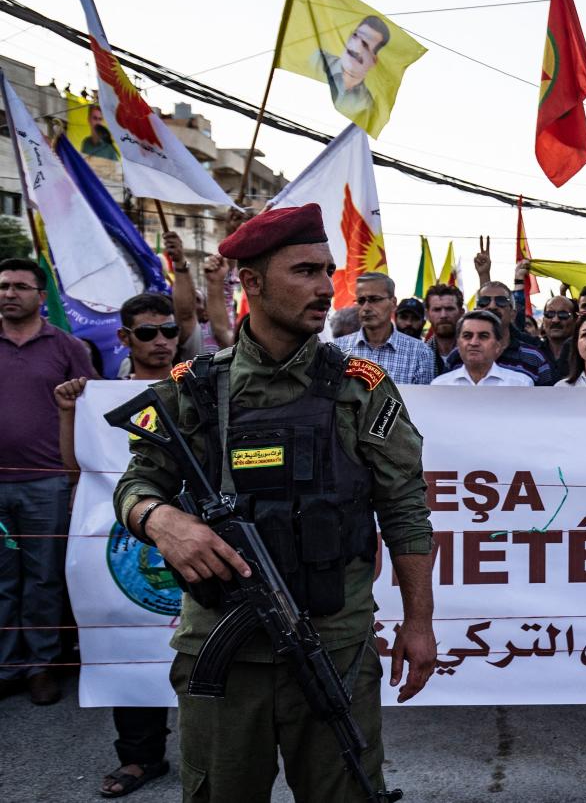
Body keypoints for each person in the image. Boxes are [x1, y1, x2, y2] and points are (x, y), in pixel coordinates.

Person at [111, 203, 435, 800]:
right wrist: (161, 521)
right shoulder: (194, 387)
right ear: (253, 283)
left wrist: (419, 621)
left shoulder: (361, 385)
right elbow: (135, 484)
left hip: (334, 644)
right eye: (305, 271)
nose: (324, 288)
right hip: (222, 652)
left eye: (326, 271)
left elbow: (405, 508)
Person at [56, 294, 176, 798]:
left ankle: (227, 757)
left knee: (215, 651)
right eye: (147, 333)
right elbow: (74, 466)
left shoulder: (206, 386)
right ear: (125, 338)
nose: (161, 342)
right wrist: (70, 411)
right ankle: (140, 757)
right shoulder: (101, 397)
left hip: (202, 538)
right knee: (134, 640)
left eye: (169, 330)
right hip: (133, 550)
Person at [0, 258, 96, 706]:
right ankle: (7, 666)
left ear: (42, 296)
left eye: (20, 286)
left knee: (43, 577)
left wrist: (81, 478)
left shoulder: (67, 346)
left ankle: (41, 665)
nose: (9, 293)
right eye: (3, 286)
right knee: (2, 577)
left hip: (47, 483)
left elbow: (91, 407)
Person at [335, 272, 435, 385]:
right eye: (361, 301)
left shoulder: (420, 352)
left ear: (393, 303)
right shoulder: (338, 349)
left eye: (374, 299)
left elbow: (421, 401)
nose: (366, 308)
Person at [447, 281, 554, 385]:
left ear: (513, 314)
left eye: (501, 301)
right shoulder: (457, 357)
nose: (492, 306)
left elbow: (547, 400)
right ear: (476, 310)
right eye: (484, 301)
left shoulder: (534, 358)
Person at [165, 232, 233, 361]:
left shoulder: (230, 340)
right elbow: (185, 315)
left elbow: (221, 328)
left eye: (197, 300)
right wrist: (180, 262)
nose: (190, 301)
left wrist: (215, 282)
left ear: (208, 313)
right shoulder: (191, 337)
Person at [311, 16, 389, 118]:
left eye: (365, 45)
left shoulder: (367, 106)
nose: (356, 47)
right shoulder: (317, 60)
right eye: (355, 36)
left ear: (374, 61)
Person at [432, 310, 534, 386]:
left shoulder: (521, 384)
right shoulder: (439, 385)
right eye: (467, 336)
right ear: (458, 344)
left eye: (483, 336)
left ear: (498, 346)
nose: (474, 342)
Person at [424, 284, 464, 376]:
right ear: (427, 315)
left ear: (461, 313)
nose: (443, 315)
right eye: (437, 310)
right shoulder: (418, 355)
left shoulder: (474, 351)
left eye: (449, 309)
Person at [539, 294, 577, 377]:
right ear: (543, 319)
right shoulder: (534, 352)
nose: (555, 320)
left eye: (563, 314)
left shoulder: (585, 354)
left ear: (575, 320)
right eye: (550, 314)